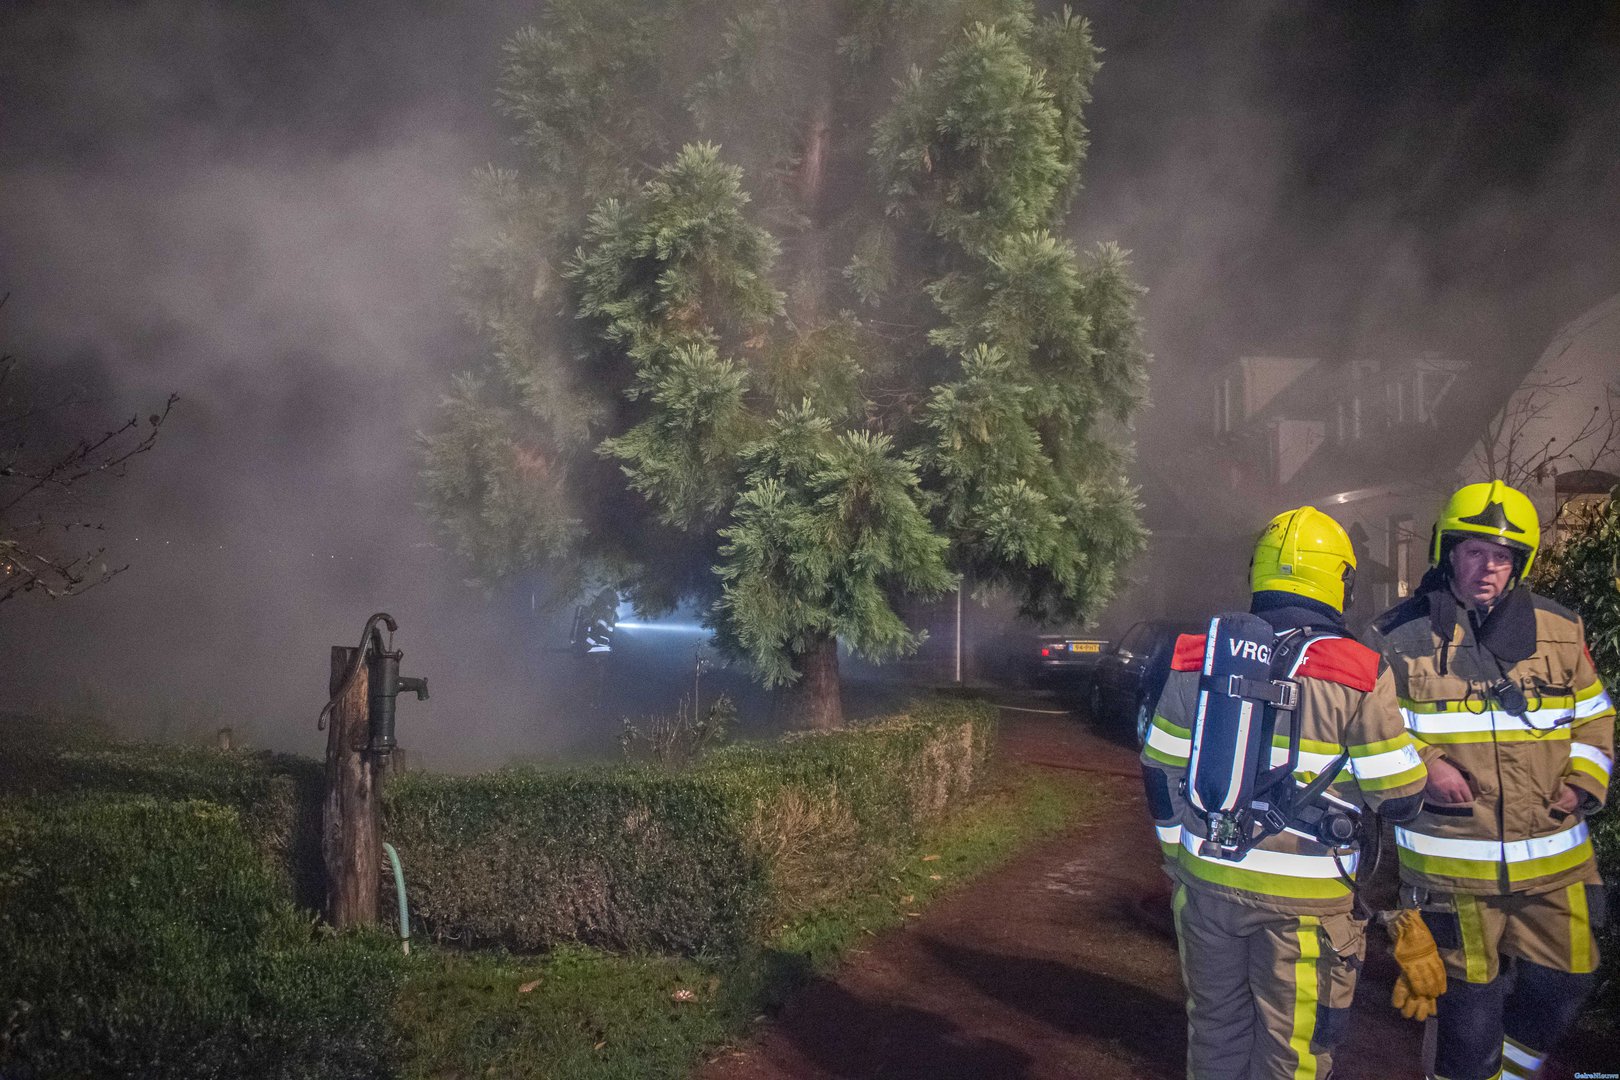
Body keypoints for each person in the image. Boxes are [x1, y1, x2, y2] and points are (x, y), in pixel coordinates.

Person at [1142, 506, 1428, 1079]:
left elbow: (1160, 771)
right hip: (1304, 915)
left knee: (1216, 1040)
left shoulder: (1193, 655)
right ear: (1338, 581)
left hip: (1207, 891)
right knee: (1292, 1056)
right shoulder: (1360, 672)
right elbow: (1398, 795)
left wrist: (1178, 858)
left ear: (1260, 573)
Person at [1367, 480, 1615, 1080]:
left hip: (1556, 865)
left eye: (1502, 556)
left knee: (1572, 977)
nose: (1488, 568)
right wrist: (1423, 764)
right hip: (1455, 869)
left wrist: (1584, 780)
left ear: (1518, 563)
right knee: (1468, 1021)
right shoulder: (1398, 638)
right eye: (1475, 551)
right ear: (1448, 552)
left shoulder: (1560, 629)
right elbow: (1370, 732)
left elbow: (1596, 714)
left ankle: (1511, 1072)